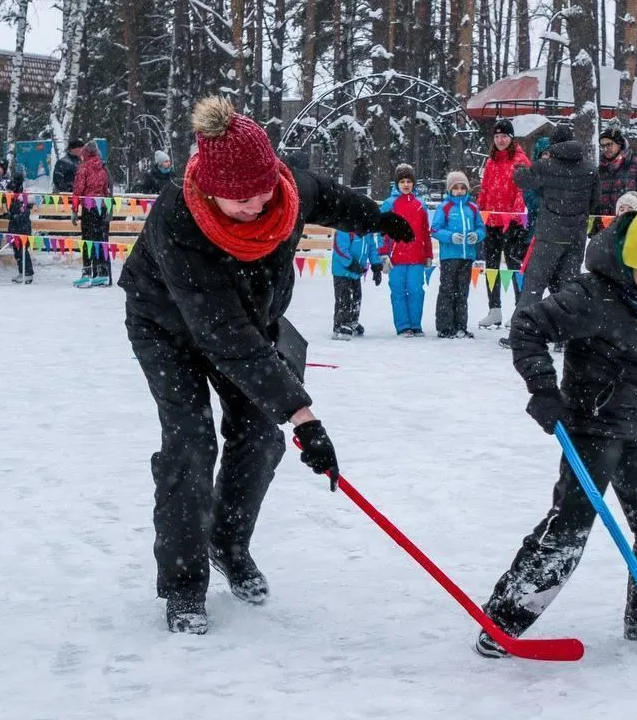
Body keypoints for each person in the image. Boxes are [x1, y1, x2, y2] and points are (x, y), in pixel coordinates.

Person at [119, 97, 413, 634]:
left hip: (250, 323)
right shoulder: (178, 219)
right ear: (211, 192)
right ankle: (183, 585)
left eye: (263, 193)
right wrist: (303, 415)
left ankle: (228, 543)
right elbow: (224, 336)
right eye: (240, 200)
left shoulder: (286, 192)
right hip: (168, 328)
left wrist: (378, 220)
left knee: (259, 435)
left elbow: (329, 196)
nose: (255, 206)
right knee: (190, 443)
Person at [475, 205, 637, 658]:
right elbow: (528, 326)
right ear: (631, 259)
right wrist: (543, 389)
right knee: (568, 533)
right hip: (592, 431)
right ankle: (503, 623)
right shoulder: (591, 294)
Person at [504, 124, 599, 348]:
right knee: (567, 289)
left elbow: (522, 180)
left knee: (534, 286)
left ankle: (521, 334)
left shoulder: (546, 166)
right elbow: (595, 201)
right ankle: (565, 338)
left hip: (549, 234)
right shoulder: (590, 169)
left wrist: (519, 168)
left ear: (553, 144)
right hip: (575, 236)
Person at [476, 119, 532, 329]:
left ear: (511, 138)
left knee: (514, 266)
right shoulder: (491, 162)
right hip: (491, 221)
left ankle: (519, 309)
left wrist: (515, 214)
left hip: (513, 222)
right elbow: (485, 188)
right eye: (497, 136)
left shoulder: (520, 160)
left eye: (504, 136)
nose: (500, 140)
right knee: (491, 266)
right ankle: (494, 309)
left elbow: (523, 190)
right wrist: (480, 211)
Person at [380, 164, 433, 336]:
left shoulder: (420, 205)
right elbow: (381, 231)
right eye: (402, 181)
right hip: (395, 258)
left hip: (416, 257)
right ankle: (403, 326)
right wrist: (383, 254)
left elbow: (425, 232)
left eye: (409, 181)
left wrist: (428, 254)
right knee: (398, 292)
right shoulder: (390, 204)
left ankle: (415, 325)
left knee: (416, 291)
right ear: (397, 184)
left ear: (413, 183)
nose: (406, 185)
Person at [431, 171, 485, 338]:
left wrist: (477, 235)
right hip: (449, 257)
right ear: (450, 190)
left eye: (462, 187)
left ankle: (461, 326)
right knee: (447, 291)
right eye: (456, 188)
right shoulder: (445, 207)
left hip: (467, 256)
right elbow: (435, 230)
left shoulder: (473, 208)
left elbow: (481, 228)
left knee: (462, 292)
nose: (459, 191)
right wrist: (450, 237)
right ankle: (445, 327)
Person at [593, 127, 637, 223]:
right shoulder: (600, 169)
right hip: (604, 226)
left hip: (631, 224)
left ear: (619, 144)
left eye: (609, 144)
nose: (605, 149)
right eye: (603, 145)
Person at [72, 143, 114, 287]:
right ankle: (102, 273)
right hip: (101, 207)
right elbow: (106, 190)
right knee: (100, 240)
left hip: (89, 208)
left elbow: (78, 190)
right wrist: (109, 208)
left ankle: (87, 274)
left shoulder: (83, 168)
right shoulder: (103, 168)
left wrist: (74, 210)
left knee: (87, 241)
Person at [330, 228, 385, 340]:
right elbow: (340, 249)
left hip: (356, 272)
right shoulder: (345, 227)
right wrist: (351, 263)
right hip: (342, 271)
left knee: (356, 297)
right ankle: (340, 325)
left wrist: (376, 267)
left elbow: (371, 248)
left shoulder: (366, 230)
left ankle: (352, 321)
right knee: (344, 298)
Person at [7, 170, 35, 284]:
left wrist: (15, 216)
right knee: (17, 251)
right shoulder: (12, 197)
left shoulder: (23, 197)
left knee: (23, 251)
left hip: (23, 228)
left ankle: (28, 273)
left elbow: (24, 213)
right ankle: (21, 271)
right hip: (14, 227)